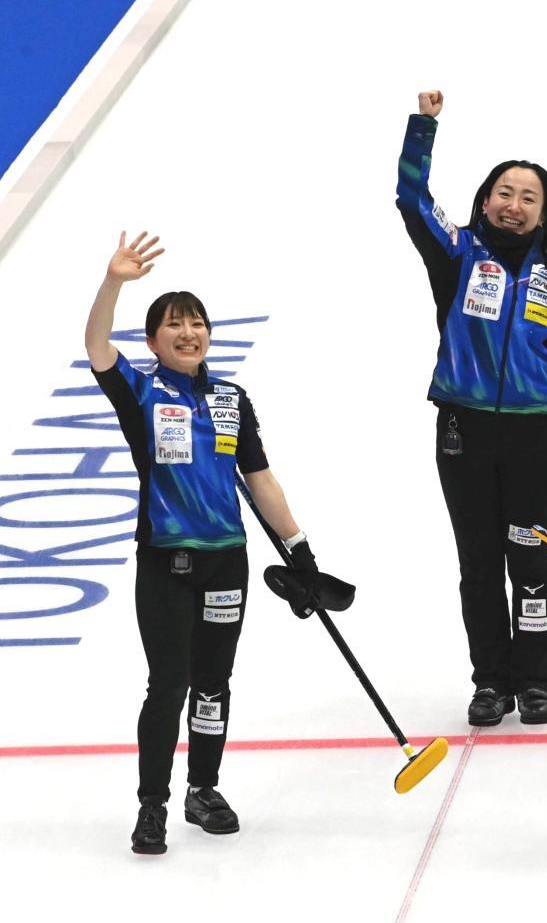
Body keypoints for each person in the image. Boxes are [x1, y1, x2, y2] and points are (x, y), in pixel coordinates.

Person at [85, 232, 335, 855]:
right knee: (168, 683)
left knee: (214, 682)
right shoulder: (139, 392)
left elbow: (261, 479)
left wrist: (298, 547)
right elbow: (95, 345)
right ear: (153, 342)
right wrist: (114, 281)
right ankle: (152, 806)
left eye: (197, 323)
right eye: (174, 325)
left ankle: (204, 789)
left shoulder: (231, 400)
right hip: (165, 562)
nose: (188, 333)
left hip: (228, 563)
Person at [396, 91, 547, 727]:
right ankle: (491, 682)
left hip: (532, 438)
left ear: (544, 214)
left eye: (528, 197)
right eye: (504, 193)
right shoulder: (457, 253)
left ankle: (535, 681)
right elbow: (410, 197)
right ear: (485, 201)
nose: (514, 205)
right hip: (463, 429)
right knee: (479, 563)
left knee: (529, 559)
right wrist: (424, 126)